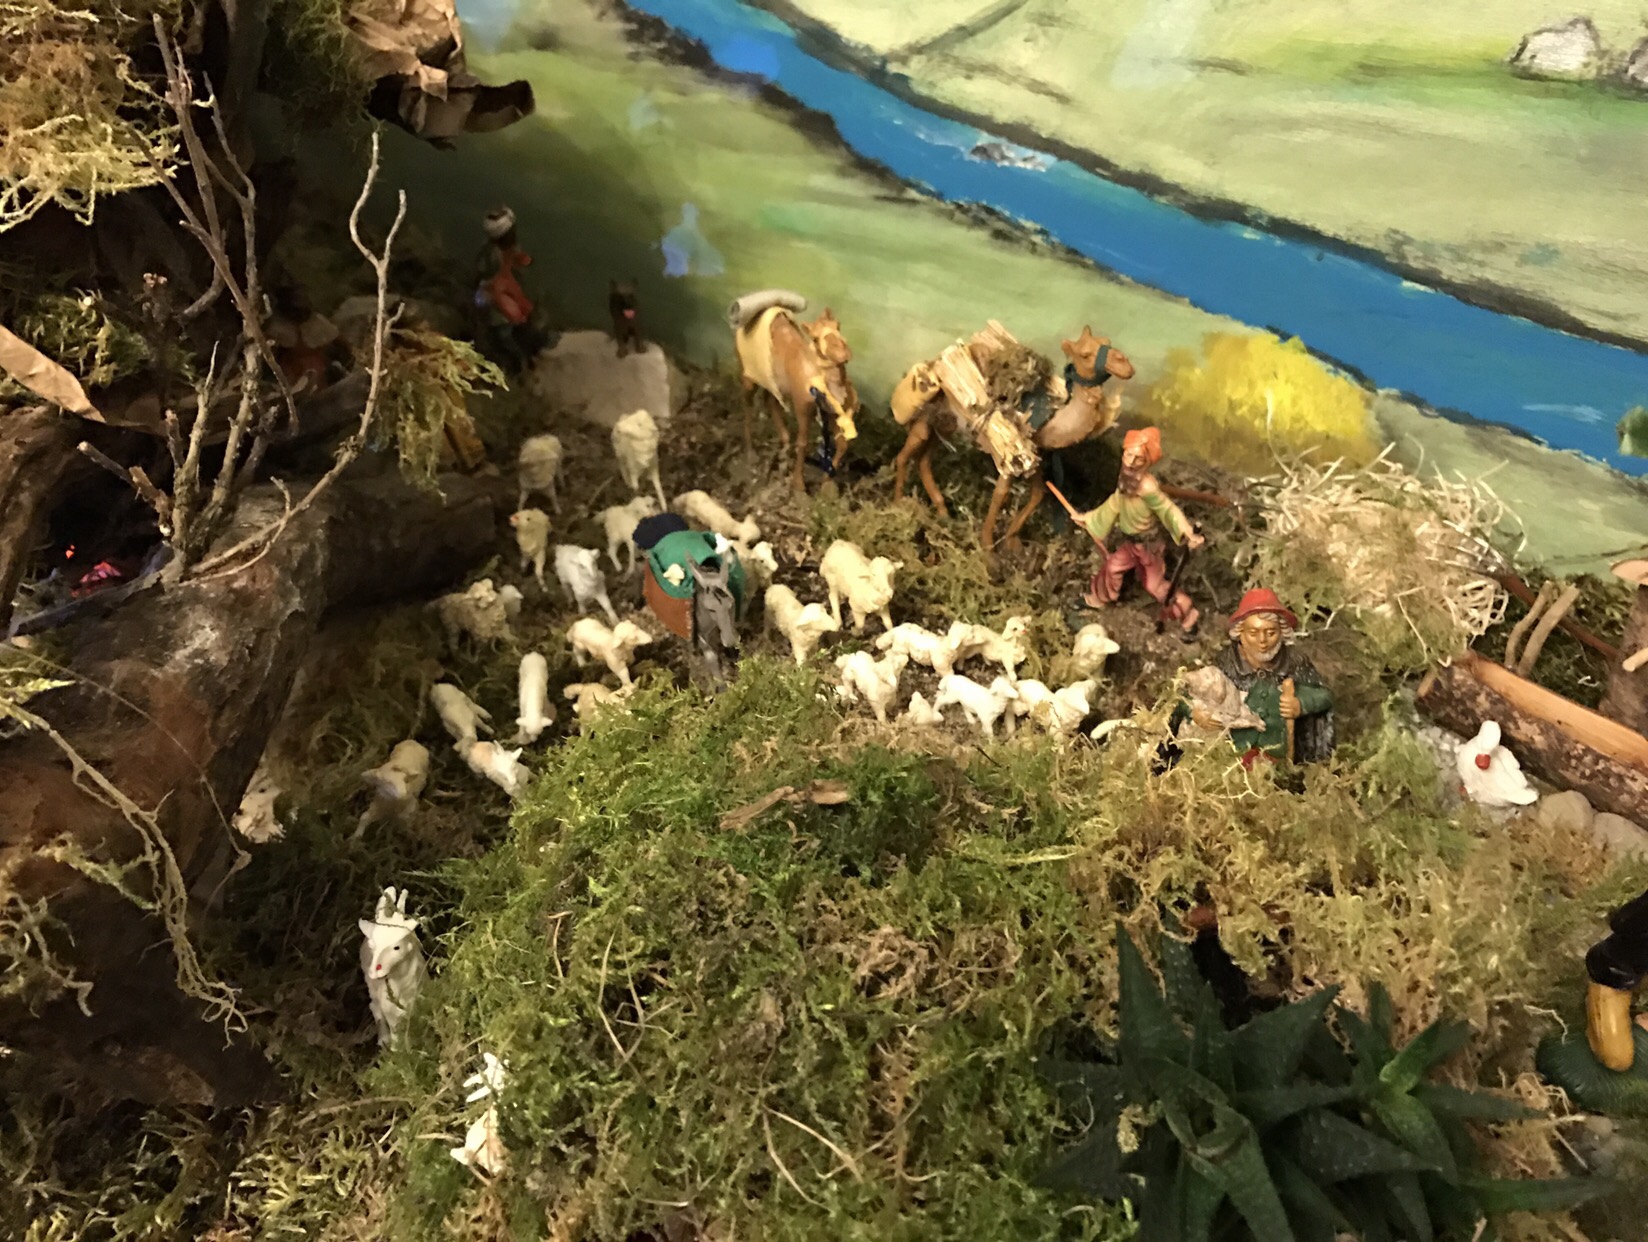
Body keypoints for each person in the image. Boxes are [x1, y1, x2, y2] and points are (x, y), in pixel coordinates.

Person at [1076, 426, 1203, 636]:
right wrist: (1090, 519)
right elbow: (1115, 503)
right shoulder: (1125, 479)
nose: (1130, 462)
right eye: (1128, 455)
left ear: (1147, 462)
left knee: (1155, 586)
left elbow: (1167, 509)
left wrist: (1187, 532)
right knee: (1113, 567)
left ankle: (1188, 615)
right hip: (1130, 543)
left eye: (1138, 459)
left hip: (1148, 546)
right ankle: (1098, 599)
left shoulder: (1148, 488)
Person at [1192, 588, 1335, 764]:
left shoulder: (1295, 662)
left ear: (1282, 633)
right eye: (1253, 633)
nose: (1262, 641)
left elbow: (1325, 696)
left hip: (1279, 753)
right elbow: (1191, 695)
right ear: (1240, 633)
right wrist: (1198, 713)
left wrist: (1301, 703)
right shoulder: (1226, 663)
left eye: (1270, 633)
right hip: (1235, 755)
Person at [474, 206, 544, 372]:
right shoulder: (492, 256)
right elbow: (491, 284)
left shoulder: (507, 249)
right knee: (505, 338)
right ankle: (521, 366)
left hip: (507, 297)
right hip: (497, 305)